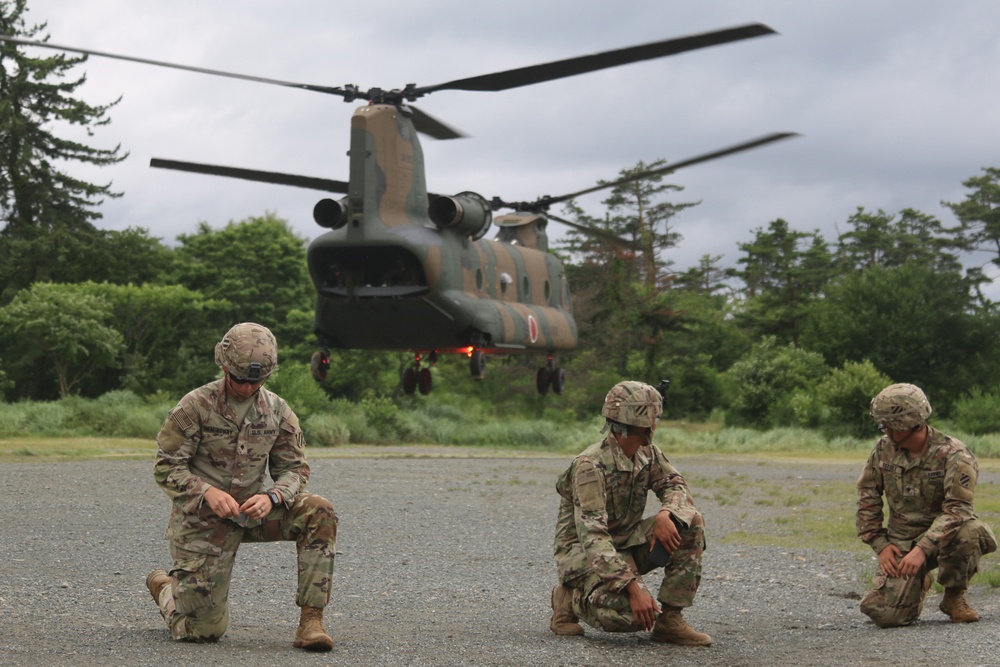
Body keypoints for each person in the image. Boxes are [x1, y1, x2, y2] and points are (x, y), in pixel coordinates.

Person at [145, 322, 338, 651]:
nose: (248, 388)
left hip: (253, 512)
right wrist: (206, 491)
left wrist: (274, 495)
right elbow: (166, 467)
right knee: (202, 631)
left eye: (257, 380)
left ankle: (311, 621)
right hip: (202, 522)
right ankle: (165, 589)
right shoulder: (195, 406)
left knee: (319, 511)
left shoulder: (277, 411)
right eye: (240, 380)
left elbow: (294, 468)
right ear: (223, 366)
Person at [549, 380, 711, 646]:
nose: (656, 423)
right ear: (645, 422)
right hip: (582, 556)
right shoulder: (590, 467)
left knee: (690, 521)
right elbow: (593, 538)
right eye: (654, 416)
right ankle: (570, 599)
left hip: (624, 544)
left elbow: (676, 487)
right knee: (629, 616)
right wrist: (632, 587)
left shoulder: (647, 453)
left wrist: (666, 514)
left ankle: (670, 621)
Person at [857, 382, 996, 628]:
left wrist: (922, 550)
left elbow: (958, 510)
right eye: (883, 425)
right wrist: (880, 544)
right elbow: (868, 495)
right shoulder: (883, 449)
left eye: (888, 424)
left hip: (944, 537)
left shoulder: (954, 454)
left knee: (970, 531)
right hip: (901, 541)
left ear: (909, 423)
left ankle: (954, 596)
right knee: (886, 616)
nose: (884, 430)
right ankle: (920, 583)